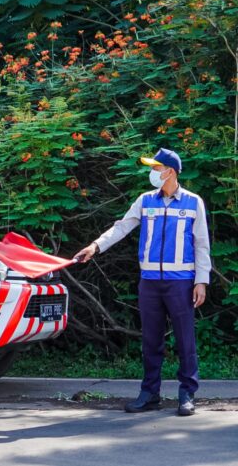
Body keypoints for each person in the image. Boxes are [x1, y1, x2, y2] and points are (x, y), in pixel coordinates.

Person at [74, 148, 210, 416]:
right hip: (149, 282)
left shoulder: (193, 202)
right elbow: (121, 227)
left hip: (181, 282)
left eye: (156, 168)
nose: (152, 172)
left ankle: (187, 393)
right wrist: (94, 247)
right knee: (151, 340)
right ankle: (149, 393)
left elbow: (202, 244)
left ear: (170, 171)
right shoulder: (145, 200)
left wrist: (201, 281)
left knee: (185, 340)